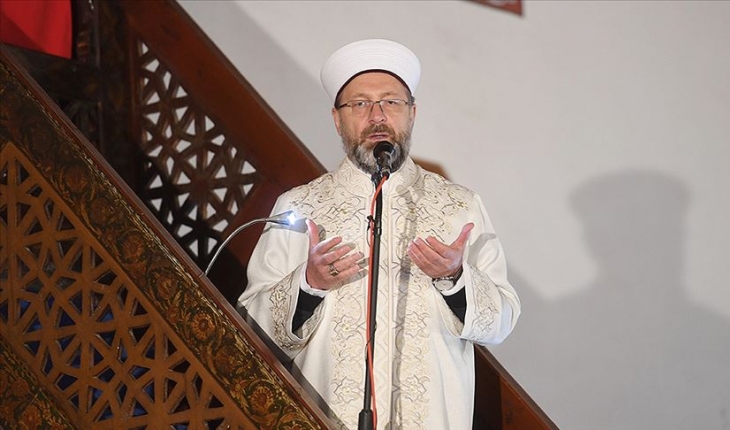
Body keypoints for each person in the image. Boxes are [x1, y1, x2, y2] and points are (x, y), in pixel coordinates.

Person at [237, 39, 520, 430]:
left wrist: (455, 279)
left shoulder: (460, 205)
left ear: (412, 114)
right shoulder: (299, 205)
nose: (377, 116)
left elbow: (501, 323)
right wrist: (308, 284)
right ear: (337, 119)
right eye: (359, 104)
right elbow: (251, 332)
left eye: (391, 102)